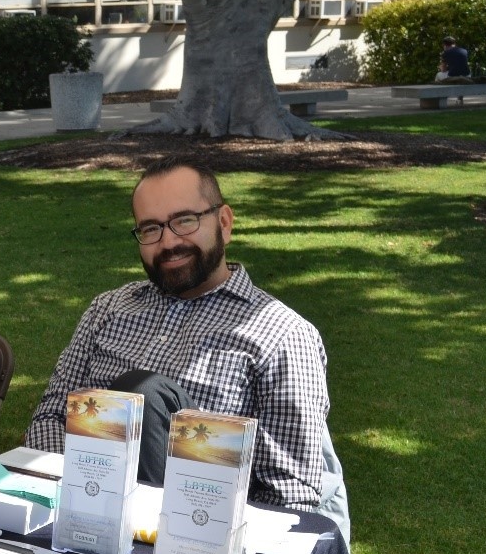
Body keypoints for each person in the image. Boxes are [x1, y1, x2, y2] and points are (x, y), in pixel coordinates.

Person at [25, 155, 337, 521]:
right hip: (83, 517)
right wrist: (70, 489)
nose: (169, 241)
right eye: (150, 229)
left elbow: (289, 495)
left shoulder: (281, 336)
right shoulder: (107, 310)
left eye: (184, 221)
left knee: (145, 392)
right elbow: (49, 417)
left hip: (197, 538)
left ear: (224, 222)